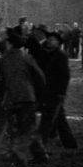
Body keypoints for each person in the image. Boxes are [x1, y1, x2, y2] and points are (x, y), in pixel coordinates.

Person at [0, 24, 45, 167]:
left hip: (13, 101)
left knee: (16, 134)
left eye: (2, 36)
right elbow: (40, 78)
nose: (0, 38)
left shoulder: (3, 60)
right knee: (27, 130)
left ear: (8, 41)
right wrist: (37, 97)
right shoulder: (26, 57)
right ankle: (39, 155)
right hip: (29, 99)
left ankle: (20, 165)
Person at [33, 28, 77, 157]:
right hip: (47, 92)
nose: (49, 41)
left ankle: (39, 149)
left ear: (58, 43)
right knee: (60, 119)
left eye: (52, 40)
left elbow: (65, 76)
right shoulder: (48, 54)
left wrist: (61, 93)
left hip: (55, 93)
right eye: (48, 39)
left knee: (46, 122)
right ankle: (70, 144)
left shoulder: (60, 56)